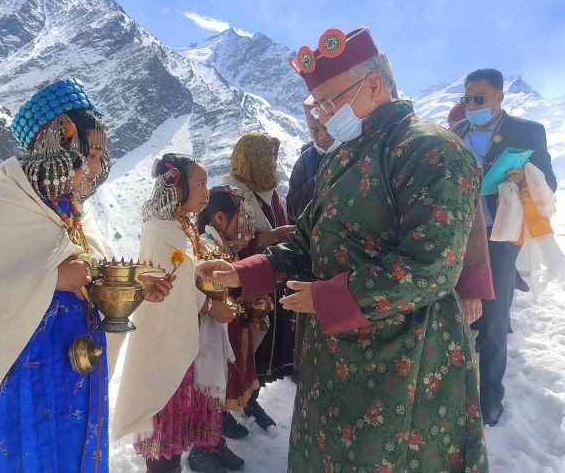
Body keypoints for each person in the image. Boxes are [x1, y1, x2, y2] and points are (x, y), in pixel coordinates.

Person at [199, 27, 488, 471]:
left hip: (403, 362)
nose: (324, 116)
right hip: (331, 360)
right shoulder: (342, 157)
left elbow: (431, 266)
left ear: (374, 85)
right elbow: (305, 240)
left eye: (330, 102)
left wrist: (331, 297)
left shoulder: (430, 151)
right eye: (317, 105)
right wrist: (244, 272)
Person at [0, 80, 173, 472]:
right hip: (19, 367)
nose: (97, 168)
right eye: (90, 155)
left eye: (101, 156)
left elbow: (94, 268)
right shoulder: (2, 200)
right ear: (57, 148)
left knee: (71, 448)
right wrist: (52, 279)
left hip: (76, 362)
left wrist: (133, 283)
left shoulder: (75, 209)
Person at [113, 154, 242, 473]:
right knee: (163, 419)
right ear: (177, 186)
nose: (206, 192)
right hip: (166, 343)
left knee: (175, 425)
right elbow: (176, 281)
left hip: (184, 340)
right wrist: (211, 305)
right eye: (200, 184)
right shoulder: (160, 229)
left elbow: (191, 274)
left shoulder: (183, 226)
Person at [453, 67, 557, 425]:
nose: (471, 106)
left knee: (495, 318)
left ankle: (490, 397)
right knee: (455, 314)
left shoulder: (527, 131)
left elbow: (549, 182)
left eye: (479, 99)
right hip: (460, 238)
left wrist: (524, 176)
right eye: (466, 99)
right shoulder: (455, 133)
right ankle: (456, 390)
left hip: (500, 235)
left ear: (499, 96)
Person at [223, 133, 295, 431]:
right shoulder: (229, 194)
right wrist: (267, 240)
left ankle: (250, 397)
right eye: (268, 157)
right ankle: (224, 410)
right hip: (242, 287)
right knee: (237, 349)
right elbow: (221, 245)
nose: (272, 164)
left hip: (268, 282)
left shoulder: (271, 191)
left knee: (261, 351)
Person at [198, 185, 259, 452]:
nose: (243, 226)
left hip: (223, 324)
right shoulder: (206, 246)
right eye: (239, 219)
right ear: (220, 219)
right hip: (209, 331)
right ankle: (204, 448)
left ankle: (216, 440)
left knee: (221, 380)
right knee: (210, 384)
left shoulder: (222, 245)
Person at [286, 104, 340, 223]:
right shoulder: (305, 160)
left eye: (327, 128)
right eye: (314, 130)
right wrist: (320, 180)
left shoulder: (355, 150)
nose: (322, 137)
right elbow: (293, 210)